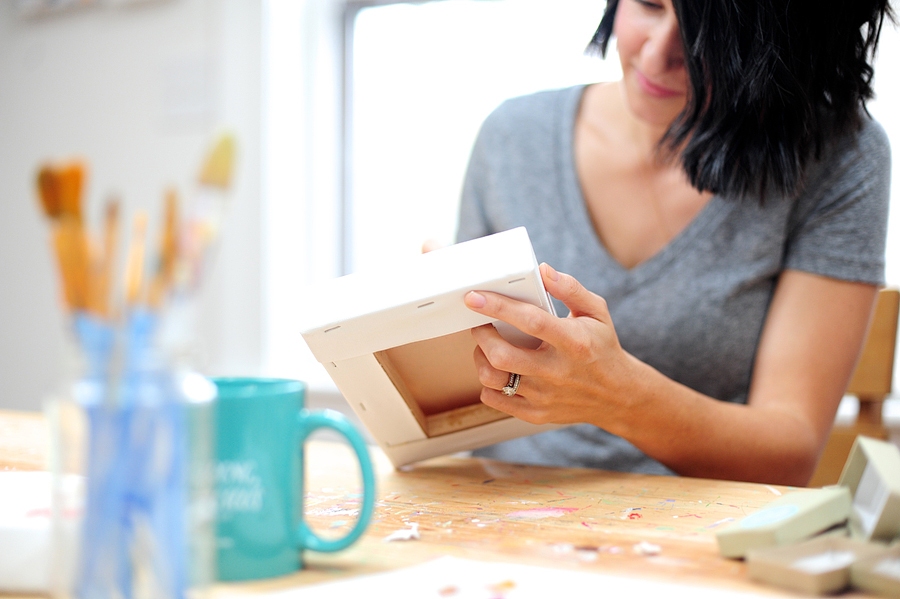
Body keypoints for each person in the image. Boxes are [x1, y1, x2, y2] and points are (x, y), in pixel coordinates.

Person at [456, 0, 894, 486]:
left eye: (708, 35)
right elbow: (460, 392)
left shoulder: (839, 156)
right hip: (499, 508)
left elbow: (789, 453)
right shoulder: (511, 136)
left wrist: (618, 395)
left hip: (701, 530)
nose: (657, 53)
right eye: (647, 3)